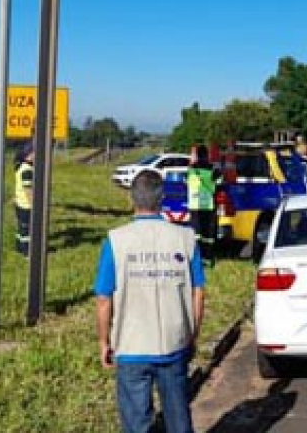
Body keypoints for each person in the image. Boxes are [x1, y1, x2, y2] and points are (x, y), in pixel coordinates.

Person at [93, 170, 206, 433]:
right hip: (173, 342)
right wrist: (192, 334)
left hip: (131, 344)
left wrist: (103, 341)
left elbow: (103, 298)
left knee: (136, 423)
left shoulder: (116, 241)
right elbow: (198, 292)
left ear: (132, 199)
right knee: (178, 417)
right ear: (162, 199)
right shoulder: (185, 238)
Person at [186, 144, 222, 266]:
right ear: (207, 155)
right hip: (208, 206)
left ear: (197, 155)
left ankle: (195, 259)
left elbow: (186, 182)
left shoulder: (191, 170)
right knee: (208, 236)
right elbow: (219, 182)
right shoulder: (212, 169)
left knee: (196, 234)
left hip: (194, 206)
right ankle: (207, 259)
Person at [12, 146, 34, 256]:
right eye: (33, 153)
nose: (35, 155)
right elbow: (28, 189)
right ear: (27, 156)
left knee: (21, 227)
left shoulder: (20, 166)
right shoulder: (27, 170)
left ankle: (19, 247)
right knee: (27, 230)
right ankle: (26, 251)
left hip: (19, 202)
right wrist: (33, 204)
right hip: (26, 205)